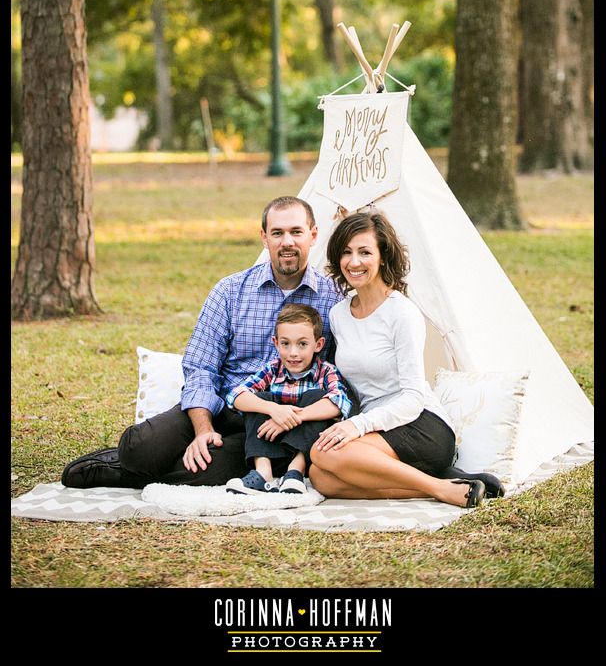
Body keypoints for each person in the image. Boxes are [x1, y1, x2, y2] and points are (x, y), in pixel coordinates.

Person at [61, 196, 343, 489]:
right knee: (140, 445)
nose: (287, 242)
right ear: (264, 237)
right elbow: (201, 367)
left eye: (296, 232)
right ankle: (133, 459)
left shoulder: (332, 298)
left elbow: (336, 376)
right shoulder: (230, 291)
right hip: (222, 406)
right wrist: (203, 429)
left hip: (279, 421)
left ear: (313, 235)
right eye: (277, 233)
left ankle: (124, 474)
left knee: (209, 472)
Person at [309, 211, 504, 509]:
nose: (354, 261)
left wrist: (357, 427)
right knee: (320, 477)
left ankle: (439, 484)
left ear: (383, 257)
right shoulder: (338, 315)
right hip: (376, 429)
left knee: (325, 456)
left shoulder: (402, 313)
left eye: (364, 252)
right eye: (346, 252)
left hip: (420, 424)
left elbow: (412, 397)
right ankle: (442, 484)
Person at [224, 303, 352, 495]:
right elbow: (235, 396)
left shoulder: (326, 372)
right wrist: (273, 410)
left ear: (318, 345)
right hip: (270, 443)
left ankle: (295, 473)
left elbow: (340, 402)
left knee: (317, 398)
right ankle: (263, 472)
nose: (293, 353)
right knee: (259, 399)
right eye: (285, 344)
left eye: (302, 344)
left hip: (305, 450)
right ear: (276, 343)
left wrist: (291, 419)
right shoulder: (272, 369)